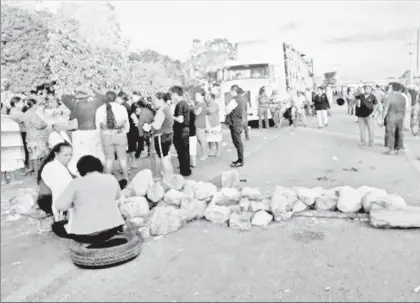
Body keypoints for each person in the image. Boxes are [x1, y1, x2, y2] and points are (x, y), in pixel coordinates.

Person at [52, 155, 125, 243]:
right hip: (112, 230)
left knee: (56, 226)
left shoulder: (76, 183)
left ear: (80, 170)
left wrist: (74, 201)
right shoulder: (111, 178)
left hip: (86, 236)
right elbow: (117, 196)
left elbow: (60, 206)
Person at [96, 91, 130, 183]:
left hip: (106, 135)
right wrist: (124, 131)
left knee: (109, 159)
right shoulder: (121, 108)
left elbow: (98, 126)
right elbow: (126, 123)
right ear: (115, 98)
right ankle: (126, 178)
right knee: (122, 158)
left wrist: (99, 136)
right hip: (120, 134)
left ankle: (107, 181)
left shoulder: (100, 109)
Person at [68, 90, 105, 175]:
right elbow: (103, 97)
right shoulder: (95, 104)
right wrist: (94, 92)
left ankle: (84, 171)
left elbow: (71, 117)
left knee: (83, 152)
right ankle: (97, 169)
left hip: (82, 131)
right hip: (94, 131)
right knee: (96, 151)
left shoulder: (76, 106)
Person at [39, 142, 73, 220]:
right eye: (65, 155)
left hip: (51, 198)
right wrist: (58, 217)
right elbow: (57, 192)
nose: (69, 158)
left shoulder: (58, 164)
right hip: (49, 201)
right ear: (56, 154)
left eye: (70, 155)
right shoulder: (53, 167)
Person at [145, 92, 174, 178]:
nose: (153, 102)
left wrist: (149, 126)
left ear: (161, 100)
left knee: (164, 158)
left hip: (161, 136)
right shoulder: (167, 108)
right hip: (168, 134)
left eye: (155, 100)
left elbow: (157, 125)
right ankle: (169, 176)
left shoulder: (161, 110)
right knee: (166, 157)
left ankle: (169, 178)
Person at [22, 98, 49, 176]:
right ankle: (39, 173)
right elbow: (39, 125)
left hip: (29, 136)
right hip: (37, 136)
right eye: (37, 104)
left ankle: (36, 172)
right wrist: (46, 124)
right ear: (34, 105)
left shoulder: (26, 113)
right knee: (39, 155)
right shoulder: (34, 114)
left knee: (33, 155)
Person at [170, 86, 191, 176]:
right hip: (185, 130)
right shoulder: (184, 103)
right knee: (184, 151)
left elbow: (180, 119)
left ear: (175, 94)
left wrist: (171, 116)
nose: (171, 97)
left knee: (182, 152)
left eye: (171, 94)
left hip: (181, 131)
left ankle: (184, 171)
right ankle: (185, 170)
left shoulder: (180, 104)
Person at [1, 110, 25, 184]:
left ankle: (3, 179)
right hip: (9, 143)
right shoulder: (8, 119)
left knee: (3, 161)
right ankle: (13, 180)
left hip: (3, 143)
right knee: (10, 160)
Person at [382, 83, 407, 154]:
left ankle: (391, 149)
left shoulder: (389, 97)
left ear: (392, 88)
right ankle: (399, 149)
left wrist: (382, 118)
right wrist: (404, 117)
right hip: (400, 117)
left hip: (391, 117)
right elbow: (405, 109)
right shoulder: (403, 97)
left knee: (391, 133)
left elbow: (386, 109)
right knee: (400, 133)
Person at [226, 85, 244, 167]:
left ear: (234, 91)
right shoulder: (241, 98)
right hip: (238, 121)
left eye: (231, 91)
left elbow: (227, 110)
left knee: (237, 142)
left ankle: (240, 160)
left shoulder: (235, 100)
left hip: (234, 122)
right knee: (238, 141)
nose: (230, 93)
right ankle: (240, 159)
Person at [8, 96, 29, 169]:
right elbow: (26, 122)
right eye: (20, 102)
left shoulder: (11, 110)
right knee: (26, 149)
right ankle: (27, 165)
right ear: (15, 103)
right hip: (23, 131)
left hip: (17, 131)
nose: (22, 104)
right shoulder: (18, 112)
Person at [205, 93, 222, 157]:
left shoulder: (215, 104)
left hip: (215, 124)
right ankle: (211, 151)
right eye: (206, 97)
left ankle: (218, 152)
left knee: (217, 138)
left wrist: (204, 109)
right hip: (208, 124)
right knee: (209, 138)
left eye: (208, 97)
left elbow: (210, 111)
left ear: (212, 98)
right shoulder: (207, 105)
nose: (206, 98)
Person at [194, 89, 208, 160]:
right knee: (200, 140)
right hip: (198, 123)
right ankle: (203, 154)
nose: (195, 97)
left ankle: (204, 155)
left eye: (197, 95)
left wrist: (192, 109)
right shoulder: (199, 104)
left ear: (202, 97)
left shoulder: (202, 104)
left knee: (202, 140)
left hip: (200, 124)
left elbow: (196, 113)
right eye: (195, 95)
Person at [188, 97, 198, 167]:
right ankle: (193, 162)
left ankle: (189, 162)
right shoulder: (194, 113)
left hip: (187, 133)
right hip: (193, 132)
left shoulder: (187, 113)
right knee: (193, 149)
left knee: (187, 149)